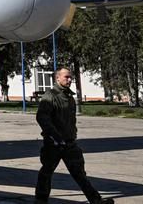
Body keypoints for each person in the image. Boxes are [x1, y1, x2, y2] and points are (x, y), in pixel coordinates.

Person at [35, 68, 114, 204]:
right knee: (46, 173)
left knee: (80, 174)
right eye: (66, 77)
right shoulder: (50, 96)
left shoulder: (69, 97)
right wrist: (55, 136)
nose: (70, 80)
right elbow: (42, 117)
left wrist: (72, 135)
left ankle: (96, 200)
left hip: (70, 143)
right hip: (54, 144)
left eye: (71, 77)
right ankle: (40, 201)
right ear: (57, 78)